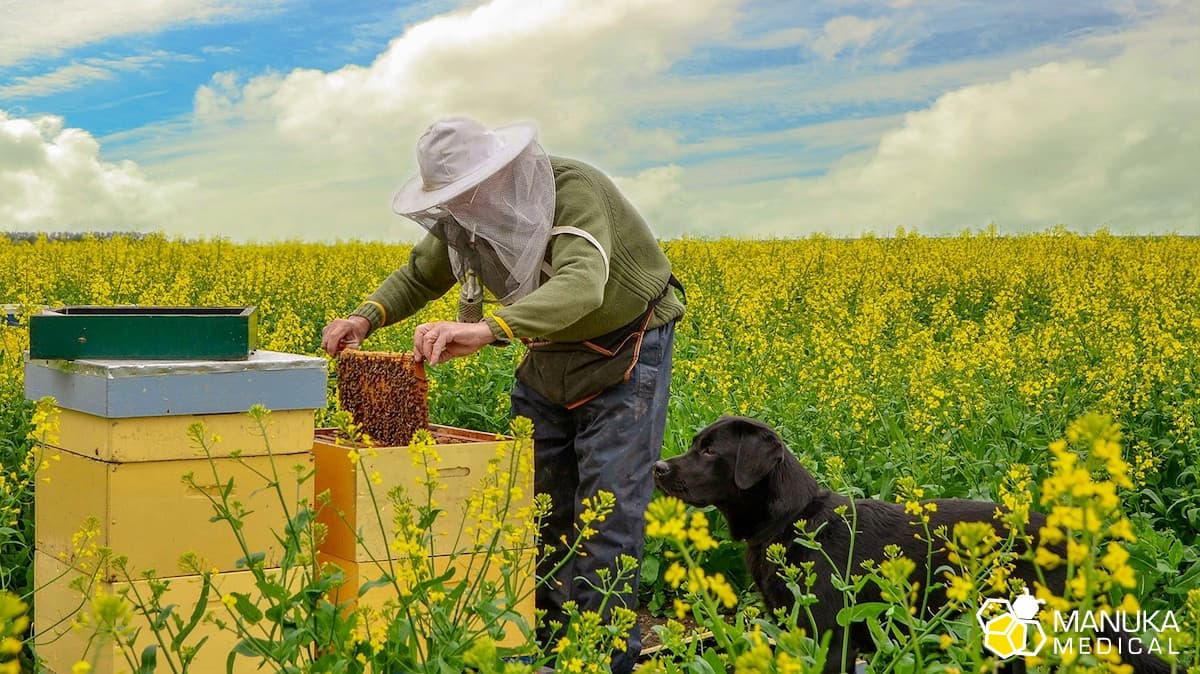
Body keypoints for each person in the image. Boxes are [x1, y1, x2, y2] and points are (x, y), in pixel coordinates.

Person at [321, 117, 685, 673]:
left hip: (626, 345)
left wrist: (486, 329)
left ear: (500, 173)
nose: (460, 206)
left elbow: (583, 285)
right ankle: (541, 642)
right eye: (450, 198)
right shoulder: (467, 219)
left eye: (466, 192)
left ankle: (598, 659)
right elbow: (421, 274)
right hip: (546, 350)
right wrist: (366, 317)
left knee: (607, 510)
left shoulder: (573, 191)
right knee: (535, 508)